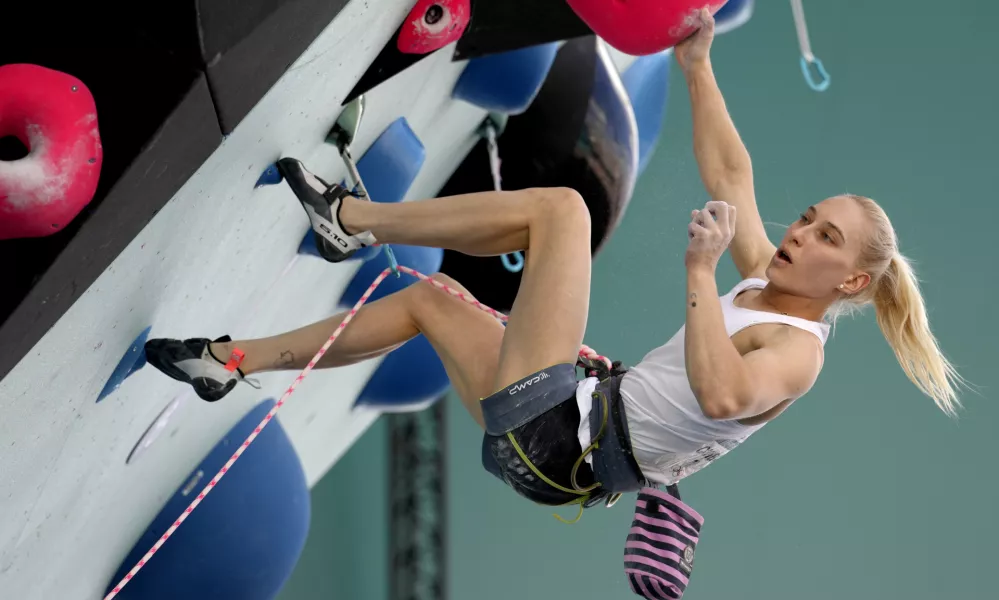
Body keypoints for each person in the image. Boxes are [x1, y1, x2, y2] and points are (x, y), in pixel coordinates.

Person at [144, 10, 963, 511]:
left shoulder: (794, 356)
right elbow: (734, 175)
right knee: (430, 300)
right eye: (811, 217)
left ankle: (348, 217)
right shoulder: (767, 280)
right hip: (551, 445)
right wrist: (697, 66)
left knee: (562, 211)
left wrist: (694, 269)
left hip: (561, 438)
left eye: (825, 239)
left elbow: (720, 393)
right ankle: (229, 361)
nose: (800, 231)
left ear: (850, 282)